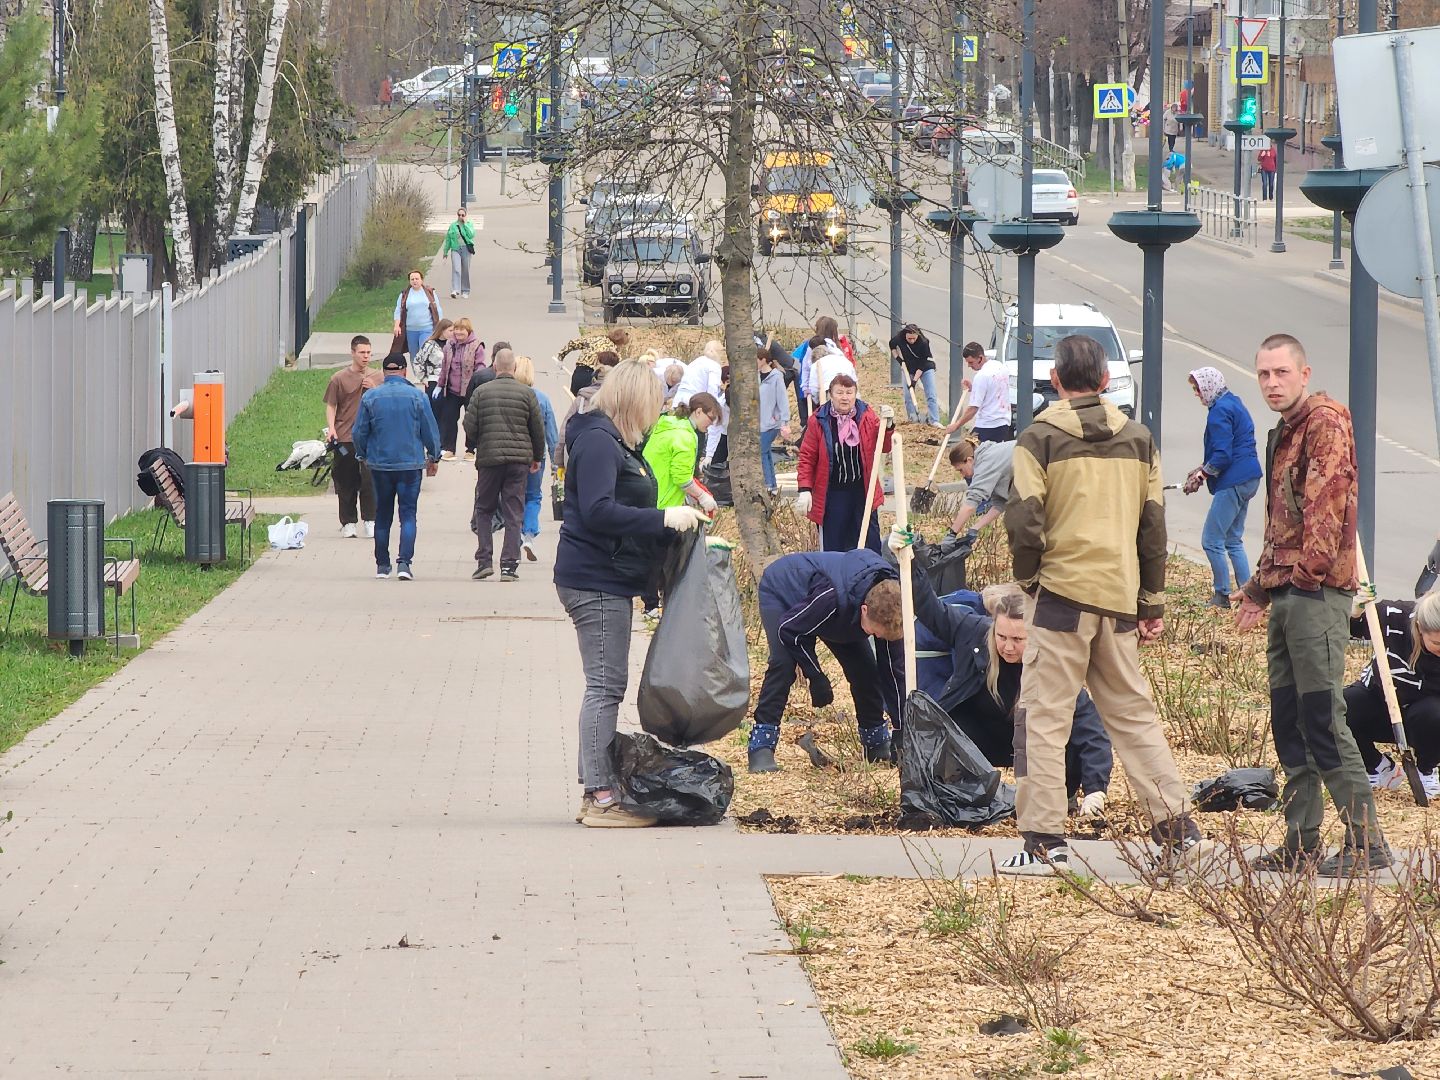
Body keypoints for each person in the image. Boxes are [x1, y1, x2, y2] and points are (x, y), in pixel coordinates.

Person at [1002, 333, 1206, 874]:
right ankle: (1178, 828)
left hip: (1061, 598)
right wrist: (1151, 602)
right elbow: (1153, 525)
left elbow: (1024, 519)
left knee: (1044, 718)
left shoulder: (1038, 437)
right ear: (1103, 381)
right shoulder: (1139, 439)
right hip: (1118, 598)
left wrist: (1029, 580)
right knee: (1133, 715)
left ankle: (1044, 840)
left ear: (1056, 380)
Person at [1232, 333, 1390, 876]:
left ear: (1304, 372)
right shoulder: (1284, 431)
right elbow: (1284, 523)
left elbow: (1326, 512)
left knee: (1323, 717)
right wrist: (1259, 587)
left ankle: (1368, 843)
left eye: (1281, 373)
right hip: (1289, 593)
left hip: (1315, 595)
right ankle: (1301, 840)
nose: (1272, 383)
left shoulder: (1324, 422)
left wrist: (1301, 581)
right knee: (1289, 718)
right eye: (1264, 374)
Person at [554, 359, 710, 826]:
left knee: (604, 686)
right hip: (595, 579)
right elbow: (599, 511)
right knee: (605, 688)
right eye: (653, 406)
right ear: (633, 401)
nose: (656, 416)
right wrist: (662, 519)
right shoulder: (601, 442)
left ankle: (596, 789)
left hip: (607, 575)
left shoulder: (613, 440)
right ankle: (601, 796)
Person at [894, 562, 1113, 811]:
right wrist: (913, 565)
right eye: (1002, 637)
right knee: (947, 734)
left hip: (1033, 741)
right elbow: (932, 610)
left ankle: (1061, 794)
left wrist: (1096, 790)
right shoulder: (973, 632)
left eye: (1018, 639)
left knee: (1068, 739)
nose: (1008, 647)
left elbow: (1089, 727)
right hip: (978, 736)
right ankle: (962, 795)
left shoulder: (1052, 662)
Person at [747, 549, 906, 773]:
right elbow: (790, 630)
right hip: (786, 591)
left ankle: (876, 742)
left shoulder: (893, 608)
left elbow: (894, 670)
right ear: (864, 610)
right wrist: (816, 676)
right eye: (874, 632)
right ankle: (761, 746)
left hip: (841, 612)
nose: (877, 638)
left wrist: (901, 730)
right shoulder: (832, 598)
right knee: (783, 666)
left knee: (866, 672)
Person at [352, 354, 441, 581]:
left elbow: (359, 431)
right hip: (410, 464)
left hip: (380, 465)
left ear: (383, 372)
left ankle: (382, 565)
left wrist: (362, 454)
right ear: (404, 372)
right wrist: (434, 457)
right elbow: (429, 431)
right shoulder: (418, 397)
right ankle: (404, 564)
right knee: (408, 514)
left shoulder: (371, 397)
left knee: (382, 514)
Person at [1343, 586, 1440, 797]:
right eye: (1437, 643)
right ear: (1420, 628)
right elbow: (1353, 628)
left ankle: (1426, 769)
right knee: (1342, 706)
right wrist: (1356, 611)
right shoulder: (1394, 617)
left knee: (1434, 715)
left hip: (1425, 720)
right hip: (1383, 704)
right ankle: (1378, 767)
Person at [1181, 366, 1263, 608]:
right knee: (1233, 539)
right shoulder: (1233, 402)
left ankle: (1221, 595)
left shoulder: (1219, 412)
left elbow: (1223, 455)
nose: (1197, 393)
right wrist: (1202, 468)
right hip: (1250, 477)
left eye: (1197, 389)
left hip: (1234, 480)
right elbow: (1232, 447)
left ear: (1208, 386)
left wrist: (1201, 475)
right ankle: (1248, 593)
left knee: (1211, 540)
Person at [464, 351, 545, 582]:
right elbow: (537, 430)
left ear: (495, 366)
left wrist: (478, 442)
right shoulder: (527, 394)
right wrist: (536, 457)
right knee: (513, 511)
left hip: (489, 460)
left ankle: (484, 561)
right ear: (514, 368)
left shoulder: (481, 392)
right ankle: (509, 565)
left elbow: (469, 425)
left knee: (484, 509)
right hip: (519, 461)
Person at [639, 392, 722, 619]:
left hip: (650, 495)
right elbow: (682, 477)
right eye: (710, 417)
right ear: (698, 412)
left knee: (654, 554)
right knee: (660, 557)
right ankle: (652, 605)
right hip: (665, 502)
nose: (710, 424)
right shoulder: (685, 437)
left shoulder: (669, 425)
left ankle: (655, 602)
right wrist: (702, 498)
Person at [796, 374, 893, 553]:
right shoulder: (819, 420)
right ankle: (837, 580)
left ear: (856, 394)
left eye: (849, 392)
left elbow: (884, 447)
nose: (845, 397)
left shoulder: (866, 416)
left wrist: (888, 427)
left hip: (863, 491)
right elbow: (807, 456)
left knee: (869, 544)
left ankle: (871, 579)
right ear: (831, 394)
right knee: (835, 548)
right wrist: (805, 489)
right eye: (839, 392)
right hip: (832, 494)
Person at [323, 335, 382, 538]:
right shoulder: (338, 378)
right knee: (346, 479)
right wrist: (331, 428)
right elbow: (331, 405)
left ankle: (370, 519)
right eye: (362, 352)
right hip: (345, 436)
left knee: (369, 479)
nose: (366, 357)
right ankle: (348, 521)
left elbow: (384, 404)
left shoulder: (378, 377)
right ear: (353, 353)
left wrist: (374, 389)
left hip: (371, 437)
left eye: (368, 352)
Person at [513, 354, 558, 564]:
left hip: (511, 454)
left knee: (513, 496)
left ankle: (513, 535)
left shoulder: (507, 394)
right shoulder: (542, 398)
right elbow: (552, 434)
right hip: (535, 457)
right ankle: (528, 535)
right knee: (533, 496)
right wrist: (556, 462)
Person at [554, 351, 620, 470]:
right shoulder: (619, 400)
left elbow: (566, 427)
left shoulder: (582, 398)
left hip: (581, 454)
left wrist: (559, 461)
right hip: (610, 458)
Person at [435, 317, 485, 461]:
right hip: (452, 390)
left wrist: (477, 385)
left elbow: (480, 367)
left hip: (470, 391)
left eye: (461, 329)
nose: (458, 332)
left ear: (468, 331)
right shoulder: (449, 345)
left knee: (470, 420)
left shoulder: (477, 346)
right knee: (449, 419)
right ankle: (449, 448)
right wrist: (440, 384)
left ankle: (471, 449)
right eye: (456, 329)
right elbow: (444, 367)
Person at [947, 436, 1015, 537]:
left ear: (969, 460)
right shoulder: (987, 456)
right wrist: (975, 528)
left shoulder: (986, 463)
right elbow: (1000, 502)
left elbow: (971, 503)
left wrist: (952, 534)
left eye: (961, 470)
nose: (962, 475)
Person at [951, 341, 1011, 442]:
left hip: (987, 426)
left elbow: (973, 409)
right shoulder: (999, 366)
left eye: (971, 362)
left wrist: (956, 425)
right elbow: (992, 389)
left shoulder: (981, 376)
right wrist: (973, 388)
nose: (969, 366)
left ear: (980, 358)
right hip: (1003, 424)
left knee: (969, 454)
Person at [891, 323, 941, 426]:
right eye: (909, 339)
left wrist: (914, 381)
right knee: (908, 395)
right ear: (905, 335)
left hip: (925, 368)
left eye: (914, 338)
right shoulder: (899, 338)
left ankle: (934, 420)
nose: (912, 341)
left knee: (931, 394)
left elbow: (922, 363)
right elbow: (892, 345)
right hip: (908, 369)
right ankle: (913, 419)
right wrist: (899, 359)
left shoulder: (924, 342)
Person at [759, 347, 792, 492]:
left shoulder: (776, 377)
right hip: (760, 423)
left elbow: (782, 399)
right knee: (765, 453)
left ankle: (768, 484)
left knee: (762, 451)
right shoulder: (755, 376)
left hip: (772, 423)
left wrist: (784, 421)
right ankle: (771, 484)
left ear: (763, 360)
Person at [561, 328, 630, 396]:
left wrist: (560, 357)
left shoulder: (596, 339)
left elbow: (572, 343)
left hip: (578, 375)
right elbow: (617, 370)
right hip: (592, 380)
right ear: (620, 343)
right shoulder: (613, 351)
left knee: (578, 401)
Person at [392, 269, 442, 360]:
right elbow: (398, 310)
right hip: (411, 330)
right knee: (414, 355)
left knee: (425, 351)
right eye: (412, 279)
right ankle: (417, 373)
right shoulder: (404, 294)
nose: (415, 281)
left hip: (427, 328)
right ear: (409, 281)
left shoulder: (430, 292)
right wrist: (397, 325)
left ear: (421, 280)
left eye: (417, 278)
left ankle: (426, 372)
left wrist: (440, 326)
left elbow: (437, 309)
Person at [803, 342, 858, 411]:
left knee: (833, 418)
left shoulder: (817, 364)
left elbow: (814, 388)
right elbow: (855, 380)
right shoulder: (843, 359)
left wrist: (817, 402)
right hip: (850, 390)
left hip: (831, 391)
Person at [673, 340, 725, 408]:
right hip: (694, 401)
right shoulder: (714, 366)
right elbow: (712, 389)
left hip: (678, 398)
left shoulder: (695, 362)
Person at [410, 319, 452, 398]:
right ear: (442, 330)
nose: (453, 333)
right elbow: (417, 361)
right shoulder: (430, 345)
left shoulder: (452, 344)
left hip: (449, 382)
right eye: (450, 330)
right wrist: (423, 378)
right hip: (434, 380)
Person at [443, 206, 476, 299]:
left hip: (466, 249)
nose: (460, 216)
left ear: (465, 215)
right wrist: (445, 252)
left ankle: (465, 290)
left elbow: (471, 235)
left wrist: (465, 224)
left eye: (462, 215)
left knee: (465, 270)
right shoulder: (453, 226)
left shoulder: (469, 224)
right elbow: (448, 239)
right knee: (456, 269)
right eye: (459, 215)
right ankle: (455, 290)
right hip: (455, 249)